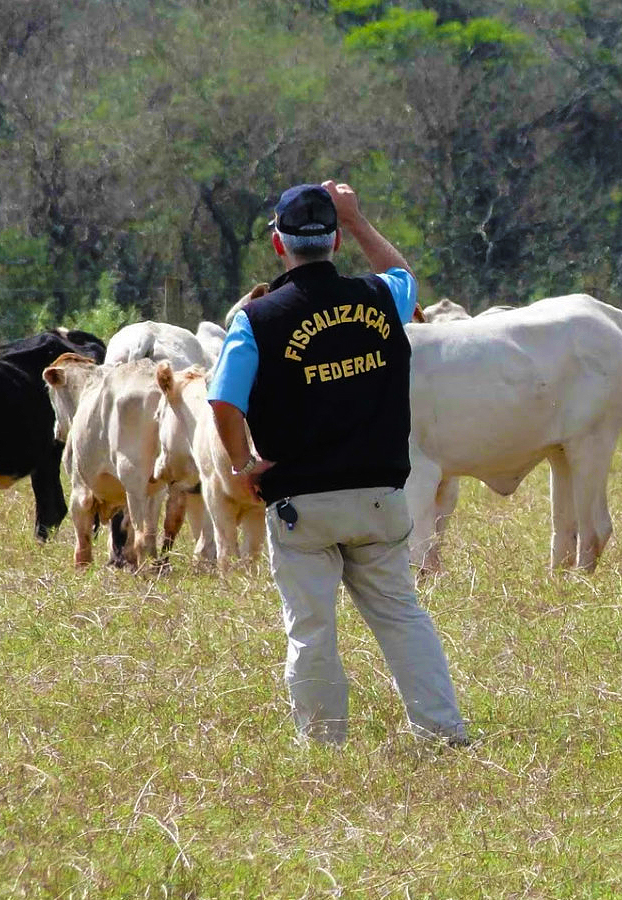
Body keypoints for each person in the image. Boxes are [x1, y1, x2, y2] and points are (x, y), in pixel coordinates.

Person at [207, 180, 468, 746]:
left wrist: (241, 464)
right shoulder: (380, 297)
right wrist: (357, 218)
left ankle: (324, 745)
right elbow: (405, 277)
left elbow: (224, 401)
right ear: (336, 242)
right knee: (401, 615)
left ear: (278, 245)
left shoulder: (256, 320)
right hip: (380, 495)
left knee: (311, 627)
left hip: (301, 502)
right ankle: (443, 732)